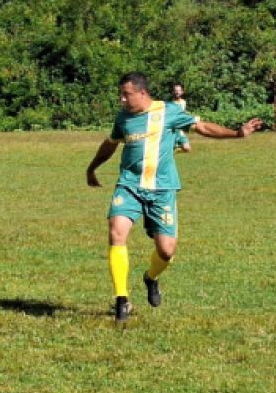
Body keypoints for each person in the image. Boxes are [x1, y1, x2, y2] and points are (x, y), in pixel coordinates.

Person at [86, 73, 262, 325]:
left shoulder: (168, 111)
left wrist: (237, 133)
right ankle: (121, 299)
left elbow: (201, 127)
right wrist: (92, 168)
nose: (122, 99)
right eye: (121, 94)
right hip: (129, 185)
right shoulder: (123, 118)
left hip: (162, 190)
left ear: (142, 93)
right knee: (117, 232)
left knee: (166, 251)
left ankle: (151, 278)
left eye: (126, 94)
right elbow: (110, 144)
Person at [169, 82, 192, 153]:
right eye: (175, 91)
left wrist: (187, 114)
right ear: (173, 92)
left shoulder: (183, 102)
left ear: (182, 92)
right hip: (172, 131)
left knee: (187, 148)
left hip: (180, 130)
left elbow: (183, 112)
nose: (177, 92)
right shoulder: (170, 104)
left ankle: (175, 150)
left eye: (179, 90)